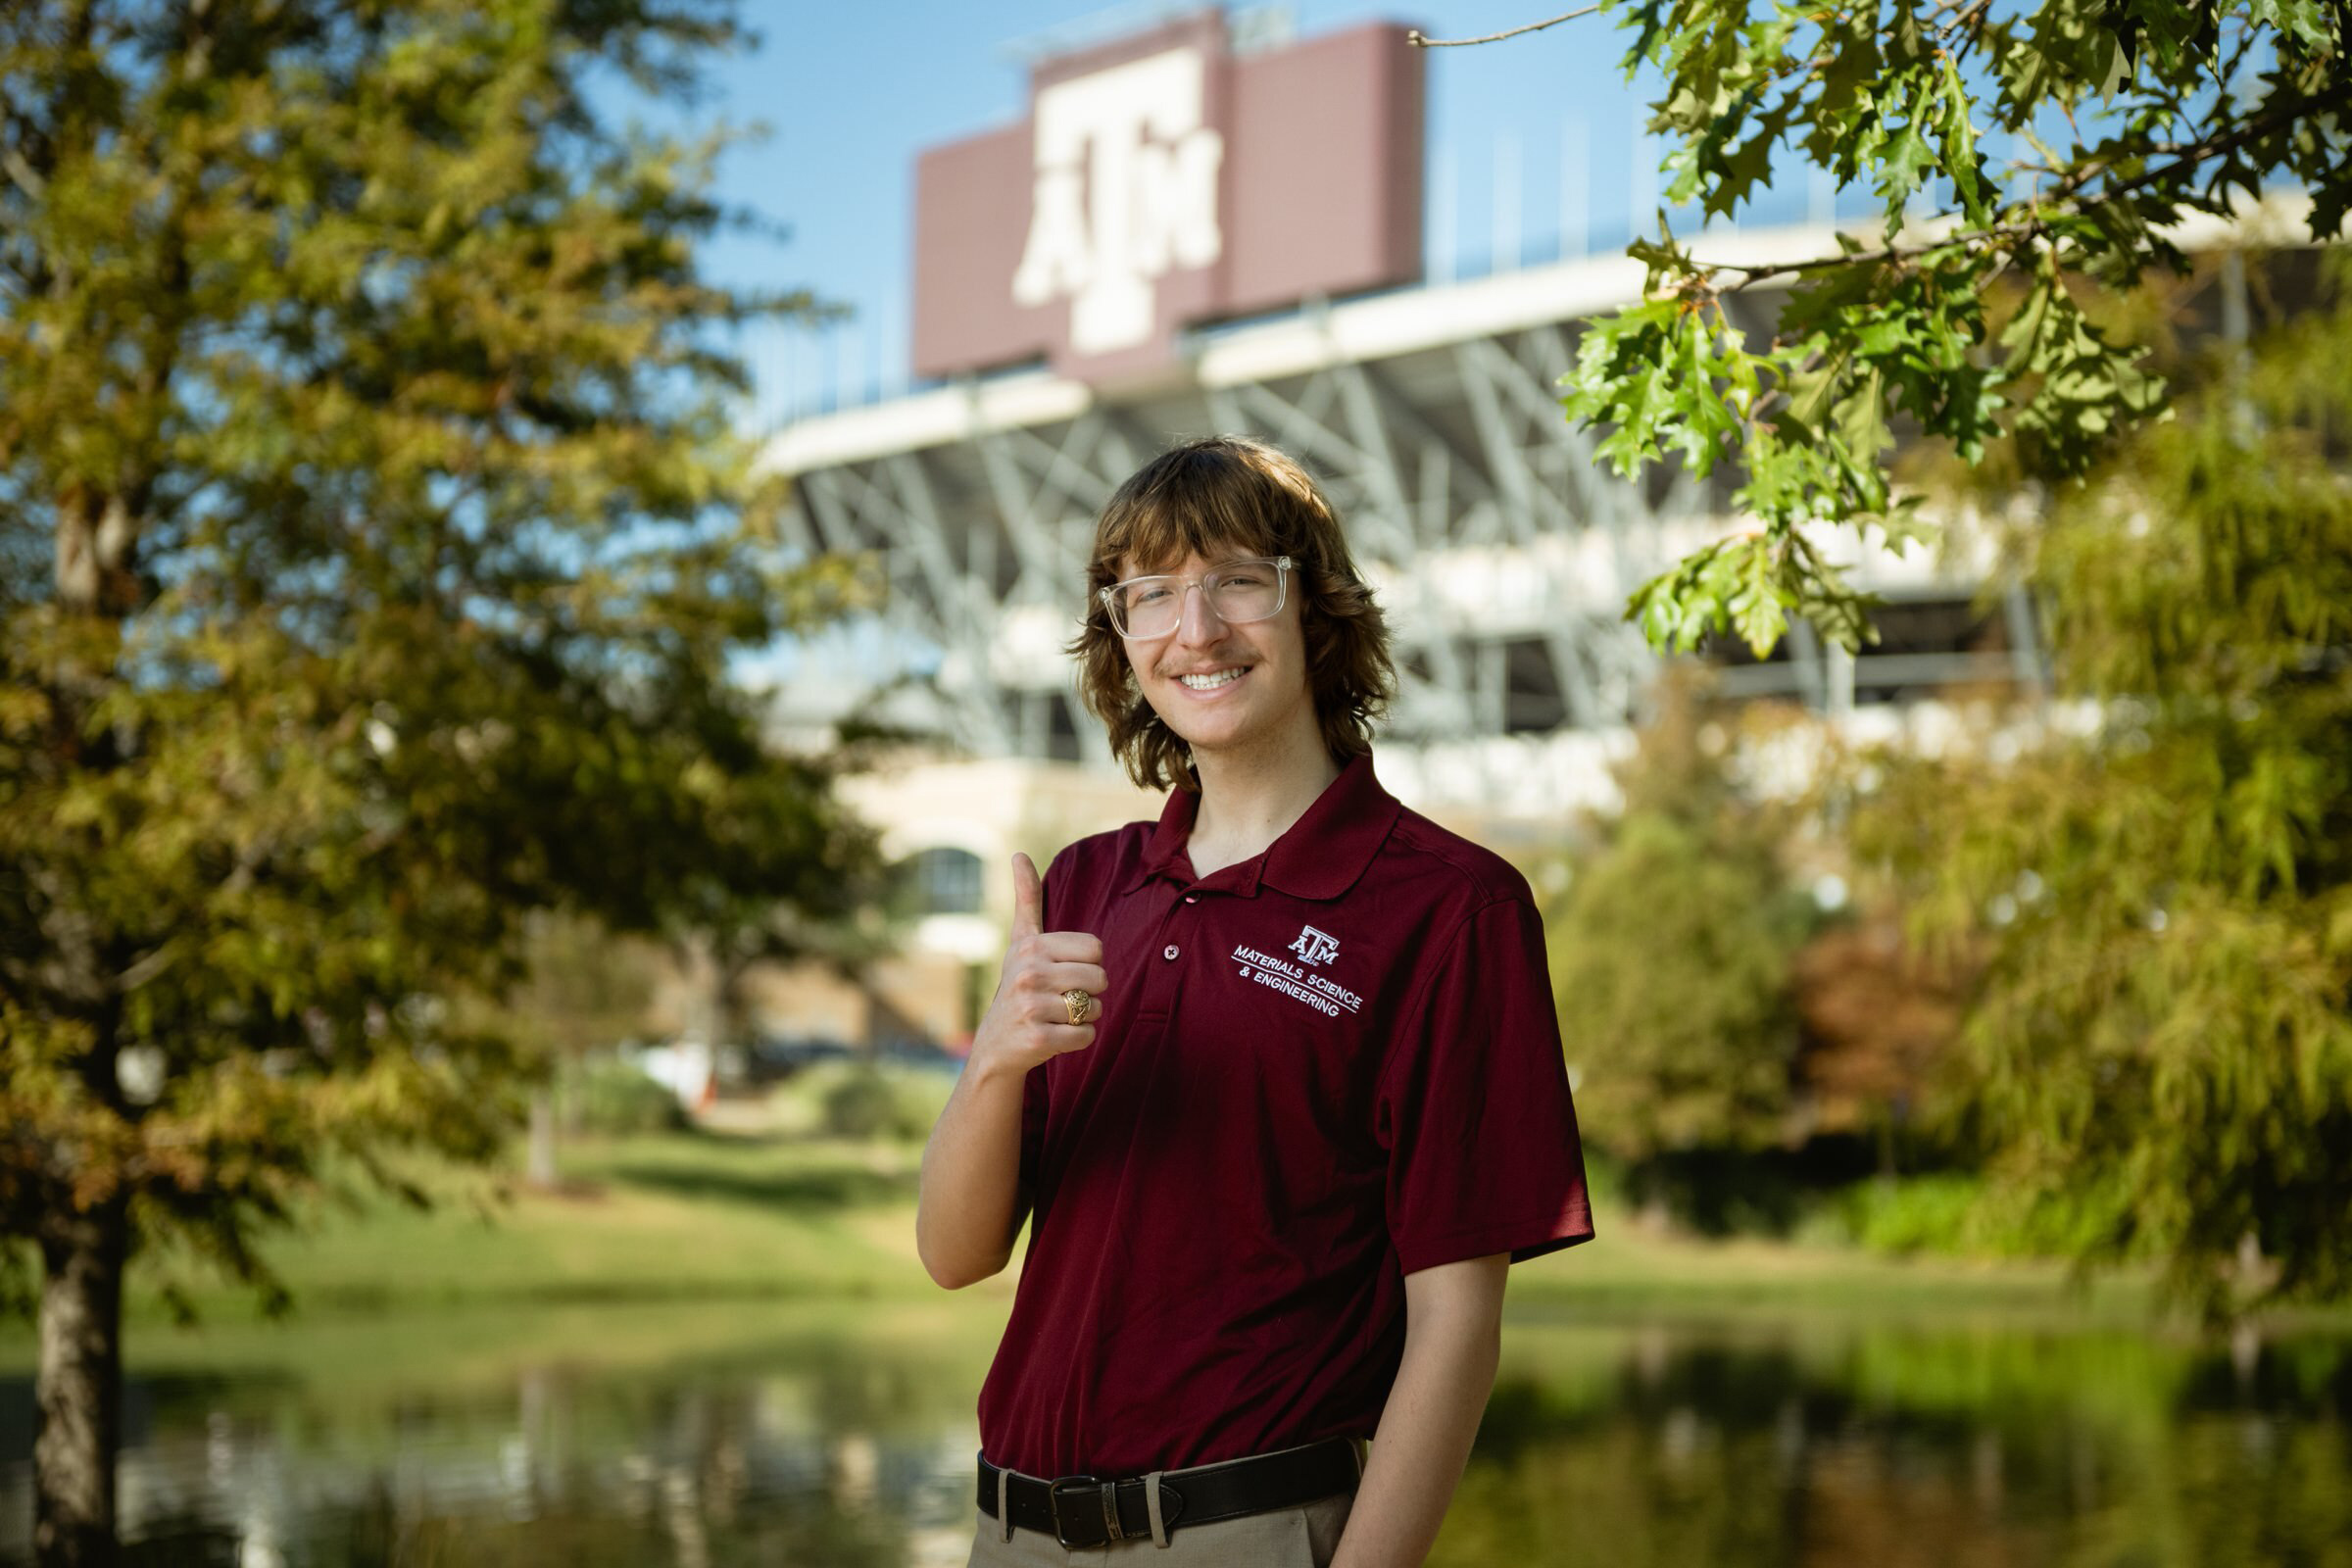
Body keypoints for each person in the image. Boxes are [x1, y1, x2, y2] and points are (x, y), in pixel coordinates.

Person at [916, 435, 1593, 1567]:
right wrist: (991, 1063)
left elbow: (1457, 1325)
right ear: (1120, 634)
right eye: (1153, 594)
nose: (1197, 630)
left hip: (1242, 1534)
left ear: (1313, 608)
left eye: (1238, 580)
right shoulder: (1085, 884)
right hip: (1007, 1532)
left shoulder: (1451, 910)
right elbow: (953, 1253)